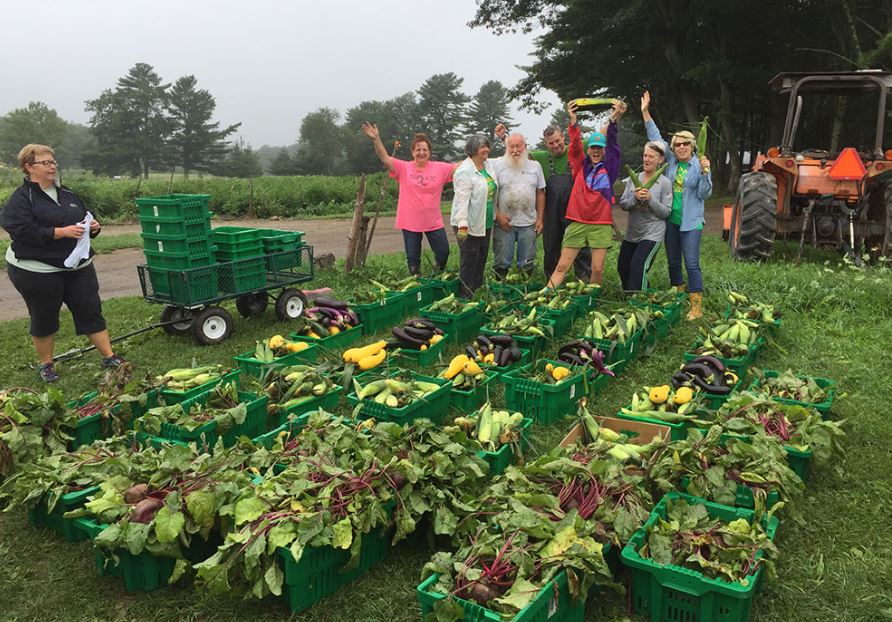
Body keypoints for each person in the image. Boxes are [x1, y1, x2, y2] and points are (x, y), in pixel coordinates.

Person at [2, 144, 125, 382]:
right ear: (29, 167)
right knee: (45, 316)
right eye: (45, 163)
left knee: (90, 309)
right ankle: (46, 365)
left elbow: (83, 218)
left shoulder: (67, 194)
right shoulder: (21, 200)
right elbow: (21, 231)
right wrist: (59, 232)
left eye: (53, 162)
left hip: (77, 267)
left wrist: (93, 227)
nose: (52, 167)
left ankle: (109, 356)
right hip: (37, 270)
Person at [641, 91, 712, 319]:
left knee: (691, 263)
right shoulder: (671, 162)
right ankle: (679, 295)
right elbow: (656, 138)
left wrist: (704, 173)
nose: (681, 147)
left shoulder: (699, 164)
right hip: (671, 220)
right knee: (673, 262)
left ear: (692, 146)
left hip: (691, 223)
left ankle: (696, 307)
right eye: (677, 144)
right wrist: (645, 112)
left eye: (685, 144)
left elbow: (705, 194)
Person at [496, 122, 592, 282]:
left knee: (580, 245)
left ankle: (583, 279)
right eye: (551, 143)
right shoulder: (541, 158)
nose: (555, 145)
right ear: (546, 144)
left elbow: (600, 138)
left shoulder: (577, 149)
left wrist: (613, 119)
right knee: (551, 246)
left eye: (557, 141)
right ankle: (552, 280)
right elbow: (519, 150)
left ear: (563, 137)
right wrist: (504, 137)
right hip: (552, 212)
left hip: (575, 210)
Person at [546, 100, 626, 290]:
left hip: (600, 224)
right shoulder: (579, 166)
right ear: (588, 149)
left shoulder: (610, 169)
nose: (596, 151)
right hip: (578, 221)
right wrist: (573, 122)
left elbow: (614, 145)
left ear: (603, 150)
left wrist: (613, 121)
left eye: (600, 147)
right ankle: (546, 294)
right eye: (593, 147)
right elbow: (574, 146)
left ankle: (591, 300)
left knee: (597, 269)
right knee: (562, 266)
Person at [361, 123, 456, 276]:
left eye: (425, 149)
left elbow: (459, 167)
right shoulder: (404, 168)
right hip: (410, 221)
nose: (421, 152)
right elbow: (385, 159)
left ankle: (436, 274)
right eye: (418, 149)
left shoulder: (440, 168)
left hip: (433, 221)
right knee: (413, 261)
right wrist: (376, 138)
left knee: (443, 252)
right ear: (412, 152)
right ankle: (416, 282)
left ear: (430, 152)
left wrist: (479, 155)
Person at [618, 141, 672, 291]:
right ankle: (632, 294)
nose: (646, 159)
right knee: (623, 266)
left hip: (652, 234)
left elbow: (666, 212)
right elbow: (623, 204)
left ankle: (639, 301)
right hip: (632, 233)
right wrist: (634, 199)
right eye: (645, 155)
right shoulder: (632, 179)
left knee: (638, 267)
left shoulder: (664, 183)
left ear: (660, 160)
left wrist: (650, 199)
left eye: (651, 157)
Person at [489, 133, 545, 279]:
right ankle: (500, 289)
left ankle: (526, 288)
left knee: (527, 262)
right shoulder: (497, 164)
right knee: (502, 261)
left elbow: (540, 193)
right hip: (504, 223)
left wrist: (539, 219)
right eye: (511, 146)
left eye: (518, 146)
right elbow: (490, 191)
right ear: (506, 147)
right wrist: (498, 215)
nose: (515, 150)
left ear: (524, 147)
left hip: (528, 223)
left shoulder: (535, 166)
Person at [450, 134, 498, 297]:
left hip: (485, 220)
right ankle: (465, 294)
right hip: (468, 223)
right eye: (482, 147)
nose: (486, 150)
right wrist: (462, 224)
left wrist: (501, 136)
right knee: (469, 259)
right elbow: (461, 200)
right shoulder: (464, 171)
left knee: (481, 256)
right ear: (473, 150)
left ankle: (477, 289)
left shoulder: (488, 166)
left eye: (487, 146)